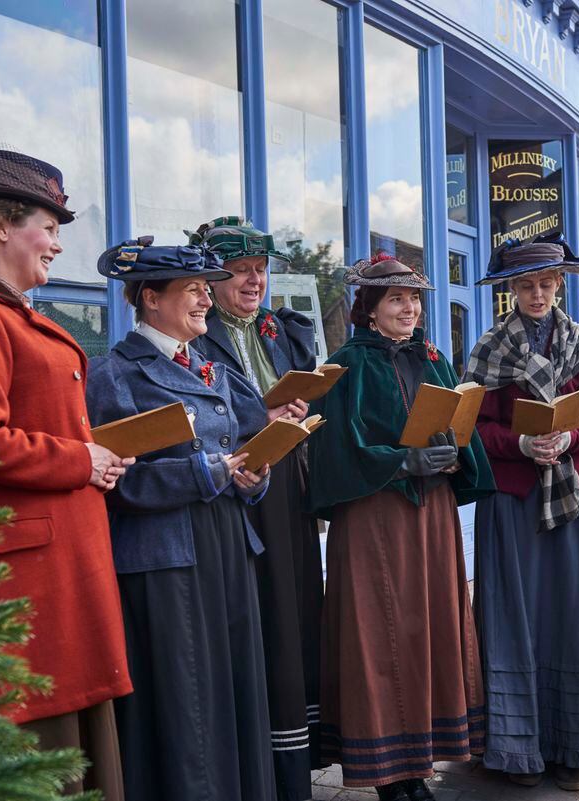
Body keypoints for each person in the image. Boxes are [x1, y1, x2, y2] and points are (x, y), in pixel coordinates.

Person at [0, 149, 133, 798]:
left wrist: (96, 456)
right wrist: (80, 459)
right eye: (51, 226)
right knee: (37, 763)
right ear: (2, 224)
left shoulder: (13, 317)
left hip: (60, 580)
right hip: (25, 593)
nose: (58, 245)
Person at [85, 237, 275, 801]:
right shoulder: (115, 374)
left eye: (204, 289)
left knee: (233, 689)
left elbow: (246, 442)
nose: (206, 300)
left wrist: (252, 477)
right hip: (166, 556)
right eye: (192, 289)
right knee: (187, 700)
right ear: (149, 299)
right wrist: (205, 474)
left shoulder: (216, 368)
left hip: (226, 543)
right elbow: (119, 481)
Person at [306, 253, 494, 801]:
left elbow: (460, 427)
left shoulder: (432, 359)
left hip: (430, 516)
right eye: (395, 299)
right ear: (368, 309)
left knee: (427, 627)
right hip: (372, 516)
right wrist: (401, 461)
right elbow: (337, 449)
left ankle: (419, 765)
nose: (409, 308)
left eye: (413, 299)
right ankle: (388, 772)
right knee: (378, 630)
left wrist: (455, 455)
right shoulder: (344, 366)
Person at [462, 234, 579, 791]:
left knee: (574, 619)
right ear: (509, 290)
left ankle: (577, 748)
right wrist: (519, 445)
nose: (536, 293)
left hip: (571, 501)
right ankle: (514, 748)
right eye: (525, 285)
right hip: (511, 501)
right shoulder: (490, 347)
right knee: (512, 620)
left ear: (560, 283)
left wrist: (567, 438)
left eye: (545, 283)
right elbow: (471, 428)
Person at [189, 217, 323, 801]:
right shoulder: (194, 333)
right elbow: (197, 422)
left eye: (261, 270)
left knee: (295, 610)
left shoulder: (282, 331)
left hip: (287, 482)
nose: (254, 280)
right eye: (241, 270)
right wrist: (258, 422)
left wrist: (298, 410)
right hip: (235, 487)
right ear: (213, 278)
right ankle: (258, 766)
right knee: (258, 614)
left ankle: (296, 764)